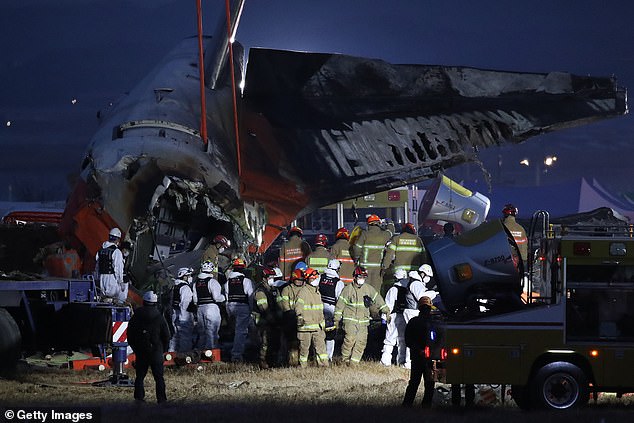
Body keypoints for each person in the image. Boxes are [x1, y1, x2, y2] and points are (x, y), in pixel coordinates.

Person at [334, 266, 390, 366]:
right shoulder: (347, 290)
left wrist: (386, 310)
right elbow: (340, 305)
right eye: (360, 277)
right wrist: (336, 320)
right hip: (350, 321)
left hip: (363, 322)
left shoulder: (368, 289)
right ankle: (344, 360)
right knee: (349, 340)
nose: (362, 279)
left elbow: (378, 300)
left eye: (364, 277)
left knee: (361, 343)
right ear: (355, 277)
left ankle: (353, 364)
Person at [127, 291, 170, 404]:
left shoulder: (136, 316)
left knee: (140, 376)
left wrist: (135, 348)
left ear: (144, 302)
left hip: (141, 351)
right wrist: (163, 349)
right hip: (156, 351)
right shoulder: (159, 317)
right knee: (159, 377)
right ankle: (161, 399)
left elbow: (130, 334)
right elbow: (167, 336)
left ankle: (139, 398)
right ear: (155, 303)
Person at [402, 296, 436, 408]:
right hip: (429, 358)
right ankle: (426, 406)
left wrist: (418, 350)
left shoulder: (413, 322)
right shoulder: (434, 323)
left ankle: (407, 405)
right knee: (429, 384)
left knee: (414, 383)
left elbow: (408, 340)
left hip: (418, 357)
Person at [381, 269, 418, 368]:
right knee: (402, 340)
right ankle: (401, 360)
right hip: (406, 316)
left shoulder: (393, 289)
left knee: (389, 339)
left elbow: (388, 305)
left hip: (394, 316)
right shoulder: (409, 287)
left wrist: (384, 318)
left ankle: (386, 361)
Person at [294, 268, 329, 367]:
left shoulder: (317, 292)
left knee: (321, 349)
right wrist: (300, 318)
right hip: (305, 328)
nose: (316, 280)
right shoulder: (303, 292)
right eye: (313, 278)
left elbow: (320, 310)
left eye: (316, 278)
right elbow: (298, 307)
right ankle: (302, 368)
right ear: (308, 279)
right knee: (304, 349)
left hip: (318, 327)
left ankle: (324, 367)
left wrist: (323, 323)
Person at [224, 257, 255, 362]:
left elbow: (227, 298)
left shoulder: (228, 282)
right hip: (243, 307)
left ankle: (253, 346)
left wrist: (228, 312)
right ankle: (236, 355)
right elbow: (250, 296)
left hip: (231, 307)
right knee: (241, 332)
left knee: (248, 328)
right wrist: (251, 309)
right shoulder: (246, 281)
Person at [253, 267, 284, 368]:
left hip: (275, 320)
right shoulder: (260, 291)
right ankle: (263, 361)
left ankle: (274, 360)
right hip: (264, 321)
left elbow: (280, 304)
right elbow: (264, 308)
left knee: (276, 341)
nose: (272, 279)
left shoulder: (274, 290)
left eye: (273, 277)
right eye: (270, 277)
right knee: (265, 342)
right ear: (264, 278)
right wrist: (271, 318)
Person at [351, 215, 391, 292]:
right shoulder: (384, 235)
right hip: (377, 268)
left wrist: (357, 258)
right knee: (375, 291)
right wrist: (389, 221)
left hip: (364, 268)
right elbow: (391, 231)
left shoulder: (365, 234)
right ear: (379, 223)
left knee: (363, 290)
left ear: (368, 224)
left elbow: (356, 247)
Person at [194, 260, 225, 351]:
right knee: (212, 331)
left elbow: (195, 299)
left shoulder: (197, 283)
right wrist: (224, 298)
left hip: (200, 308)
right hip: (211, 308)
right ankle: (211, 352)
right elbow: (217, 297)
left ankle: (201, 352)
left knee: (202, 332)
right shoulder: (212, 282)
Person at [319, 259, 345, 360]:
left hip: (319, 308)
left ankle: (318, 355)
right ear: (337, 269)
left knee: (319, 333)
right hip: (331, 310)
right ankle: (328, 357)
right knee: (330, 335)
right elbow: (340, 299)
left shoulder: (320, 277)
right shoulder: (338, 282)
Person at [278, 268, 305, 366]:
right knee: (290, 342)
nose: (299, 282)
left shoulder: (305, 289)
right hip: (290, 319)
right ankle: (290, 361)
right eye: (298, 280)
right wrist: (291, 316)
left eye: (301, 280)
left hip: (303, 319)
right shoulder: (287, 289)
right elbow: (285, 305)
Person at [95, 227, 128, 303]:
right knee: (124, 287)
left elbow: (97, 267)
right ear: (117, 239)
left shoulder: (100, 250)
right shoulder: (116, 252)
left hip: (101, 282)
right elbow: (118, 269)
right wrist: (121, 281)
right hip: (111, 282)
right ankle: (120, 306)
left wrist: (96, 279)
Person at [168, 267, 196, 352]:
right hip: (184, 316)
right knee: (185, 337)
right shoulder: (185, 288)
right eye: (189, 275)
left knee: (174, 336)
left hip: (175, 314)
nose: (190, 277)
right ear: (184, 276)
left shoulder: (175, 286)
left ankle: (171, 354)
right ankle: (184, 355)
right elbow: (185, 303)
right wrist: (184, 316)